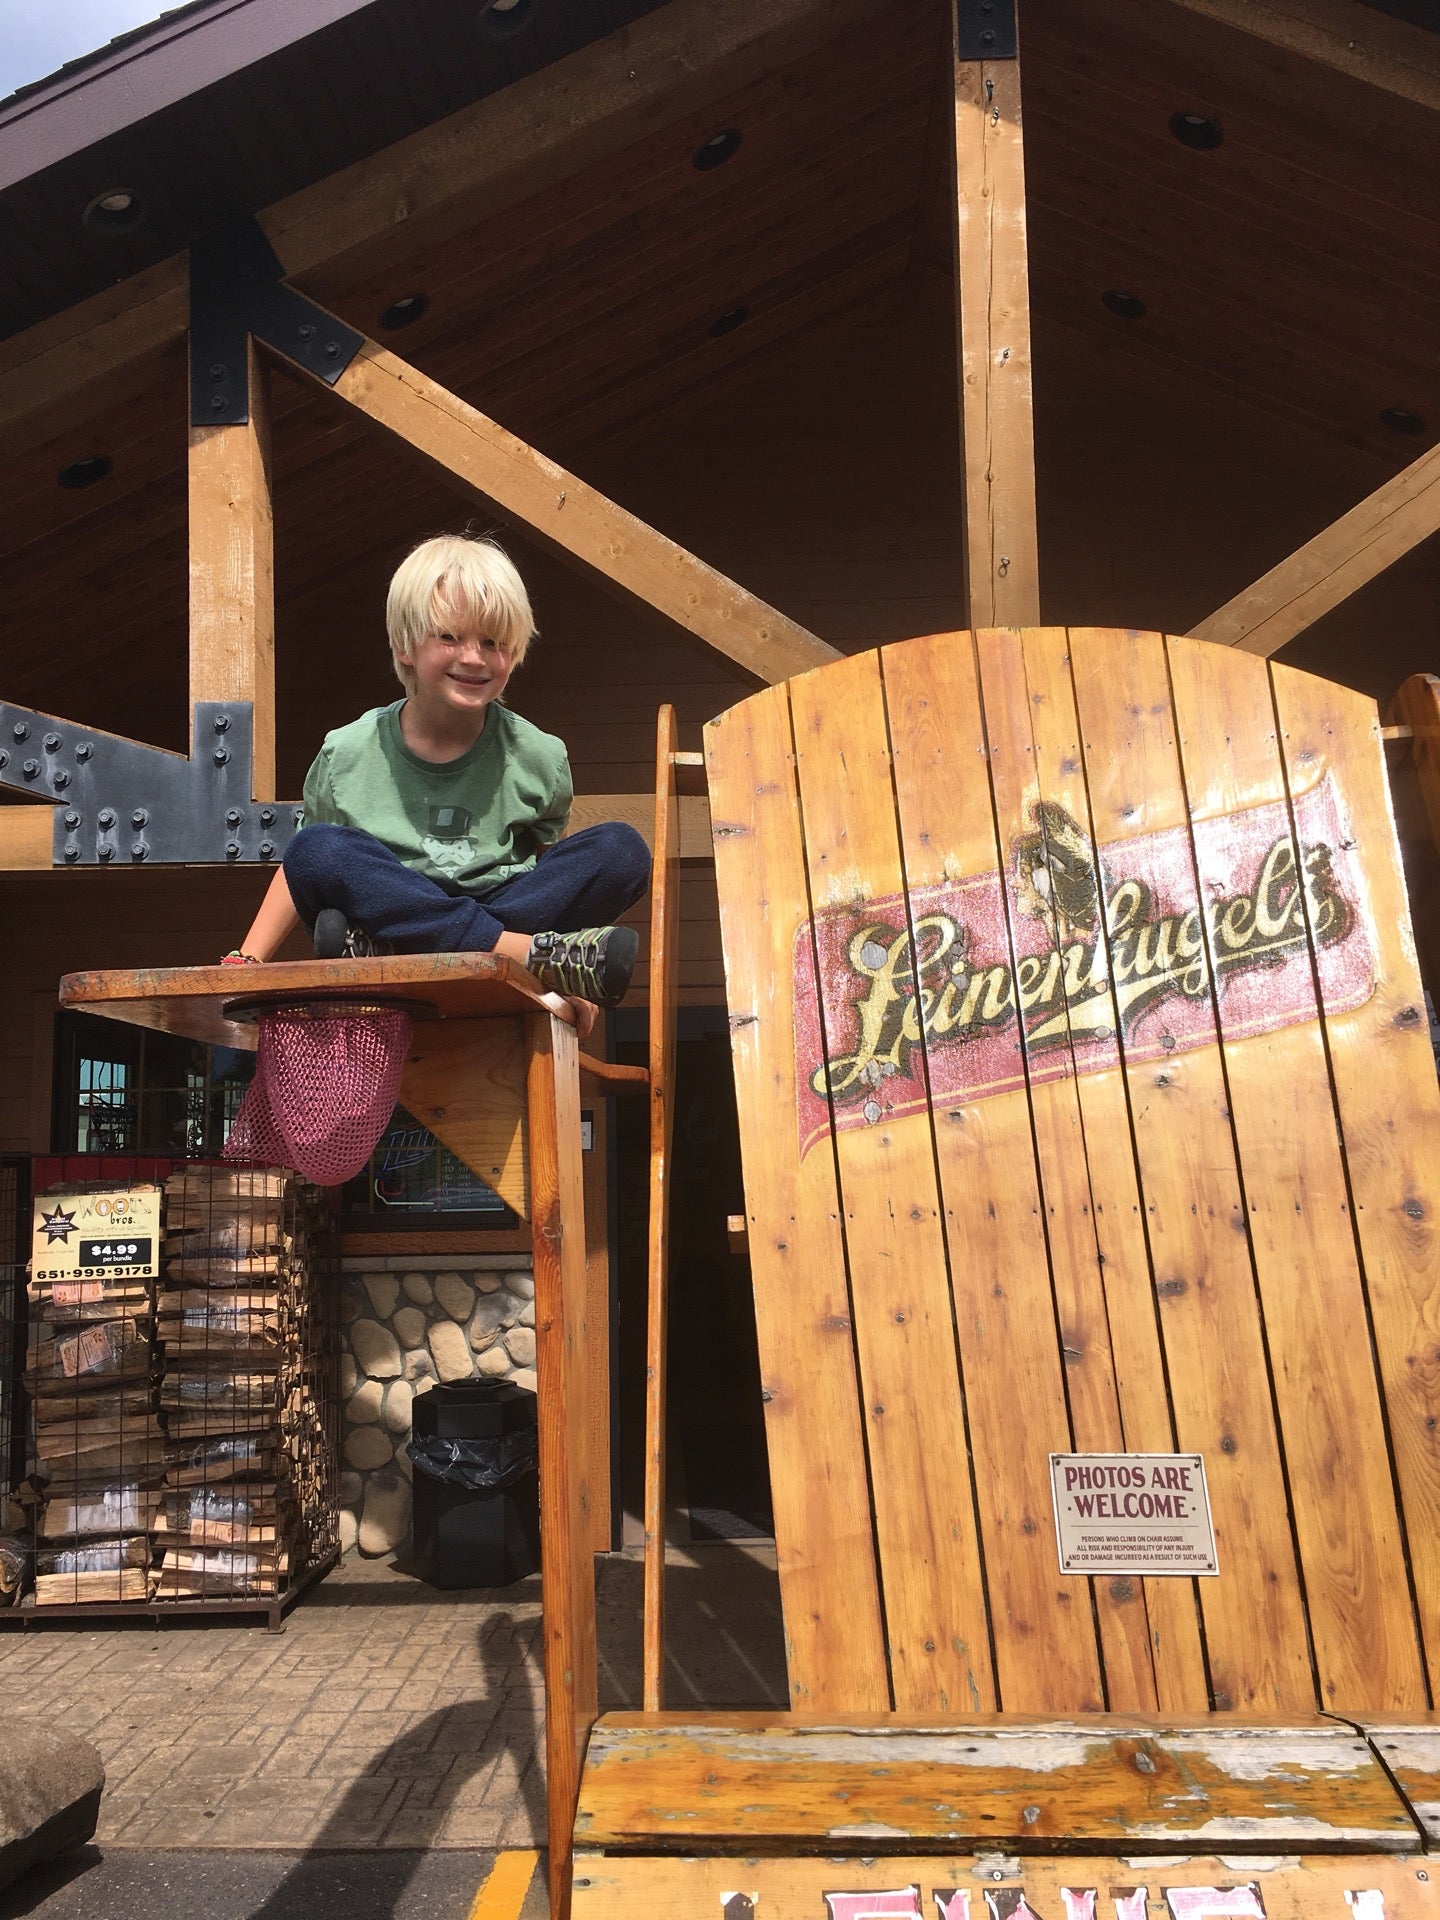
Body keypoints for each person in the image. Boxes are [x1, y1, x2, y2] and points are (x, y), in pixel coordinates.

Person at [224, 532, 651, 1035]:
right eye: (449, 637)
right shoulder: (348, 751)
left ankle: (403, 950)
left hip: (490, 905)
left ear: (515, 652)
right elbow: (301, 867)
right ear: (404, 646)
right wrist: (247, 959)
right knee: (316, 848)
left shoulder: (540, 755)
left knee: (622, 849)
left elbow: (548, 871)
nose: (473, 657)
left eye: (493, 642)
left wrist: (567, 976)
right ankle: (527, 956)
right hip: (391, 901)